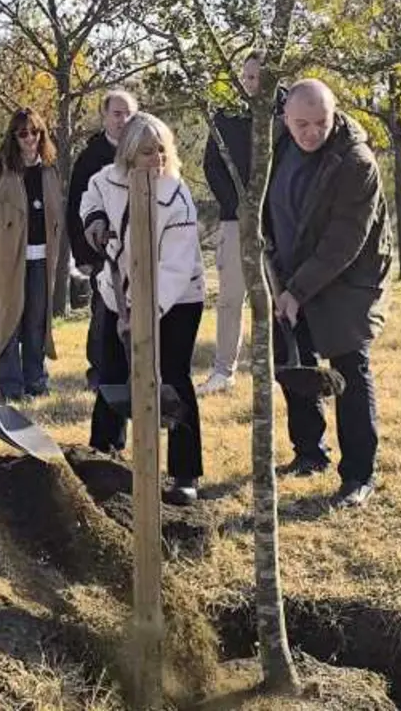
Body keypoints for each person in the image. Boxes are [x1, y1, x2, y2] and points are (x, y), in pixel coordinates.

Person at [265, 79, 392, 509]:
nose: (312, 132)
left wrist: (297, 290)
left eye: (321, 122)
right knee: (295, 363)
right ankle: (309, 452)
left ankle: (359, 474)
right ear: (285, 117)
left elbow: (344, 240)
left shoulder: (356, 162)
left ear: (334, 114)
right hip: (289, 275)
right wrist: (281, 282)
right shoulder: (276, 147)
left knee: (348, 373)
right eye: (302, 123)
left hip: (347, 280)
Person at [79, 113, 207, 506]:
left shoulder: (176, 196)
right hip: (119, 294)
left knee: (173, 377)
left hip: (176, 300)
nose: (155, 160)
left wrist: (145, 315)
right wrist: (96, 220)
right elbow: (90, 198)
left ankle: (185, 474)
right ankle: (101, 457)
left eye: (161, 151)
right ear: (129, 155)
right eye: (146, 152)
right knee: (112, 373)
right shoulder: (107, 179)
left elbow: (175, 266)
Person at [0, 108, 63, 401]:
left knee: (37, 321)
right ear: (13, 136)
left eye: (35, 132)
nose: (30, 139)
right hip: (8, 259)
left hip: (42, 258)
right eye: (23, 133)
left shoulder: (49, 169)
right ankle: (11, 387)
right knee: (8, 319)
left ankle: (36, 382)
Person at [198, 51, 275, 396]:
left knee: (277, 296)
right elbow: (212, 166)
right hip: (234, 221)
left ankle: (279, 368)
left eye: (255, 78)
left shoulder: (285, 114)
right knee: (230, 298)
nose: (249, 84)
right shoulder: (225, 116)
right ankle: (222, 372)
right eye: (245, 77)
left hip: (277, 223)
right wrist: (237, 206)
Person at [67, 90, 138, 392]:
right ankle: (98, 372)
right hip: (102, 251)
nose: (123, 120)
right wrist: (84, 253)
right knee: (103, 313)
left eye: (128, 114)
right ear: (105, 116)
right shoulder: (90, 157)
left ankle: (133, 370)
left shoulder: (143, 150)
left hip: (138, 250)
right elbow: (75, 208)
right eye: (117, 114)